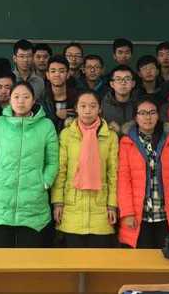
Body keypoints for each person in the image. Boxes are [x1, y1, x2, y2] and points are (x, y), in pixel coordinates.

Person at [0, 82, 59, 247]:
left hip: (33, 205)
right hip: (0, 203)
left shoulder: (46, 126)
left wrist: (45, 182)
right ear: (10, 100)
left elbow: (52, 161)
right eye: (16, 97)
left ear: (33, 100)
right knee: (1, 257)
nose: (21, 101)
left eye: (26, 97)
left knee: (28, 259)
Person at [117, 98, 169, 248]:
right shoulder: (127, 143)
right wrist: (127, 213)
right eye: (142, 113)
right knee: (141, 259)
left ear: (158, 116)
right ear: (135, 117)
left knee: (167, 257)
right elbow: (123, 181)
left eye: (152, 112)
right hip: (139, 216)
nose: (147, 117)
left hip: (166, 215)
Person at [51, 91, 118, 248]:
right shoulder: (67, 134)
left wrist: (112, 205)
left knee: (99, 260)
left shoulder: (110, 136)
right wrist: (58, 202)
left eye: (93, 106)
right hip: (72, 207)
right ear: (76, 108)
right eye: (83, 106)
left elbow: (113, 173)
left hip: (100, 209)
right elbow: (61, 171)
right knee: (73, 260)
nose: (88, 110)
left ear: (99, 109)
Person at [41, 55, 78, 133]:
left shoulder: (78, 98)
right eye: (53, 71)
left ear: (68, 74)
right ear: (47, 75)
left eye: (61, 71)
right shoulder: (42, 99)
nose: (57, 74)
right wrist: (56, 116)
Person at [101, 65, 137, 134]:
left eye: (127, 79)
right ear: (112, 84)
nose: (123, 83)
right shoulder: (101, 105)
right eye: (118, 79)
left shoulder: (140, 104)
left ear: (133, 83)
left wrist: (134, 123)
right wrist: (106, 126)